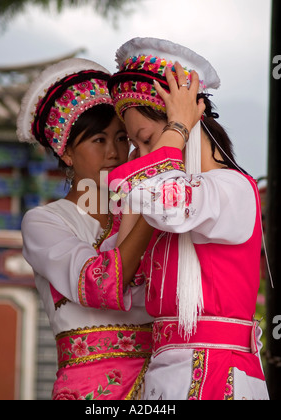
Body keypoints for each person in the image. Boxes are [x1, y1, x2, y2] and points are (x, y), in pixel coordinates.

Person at [107, 37, 270, 400]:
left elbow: (165, 200)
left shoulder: (230, 190)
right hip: (164, 377)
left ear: (187, 127)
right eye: (137, 145)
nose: (141, 155)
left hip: (217, 376)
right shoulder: (166, 206)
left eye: (148, 138)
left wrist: (176, 128)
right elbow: (116, 280)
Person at [17, 58, 154, 400]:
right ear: (66, 153)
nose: (114, 152)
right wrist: (156, 209)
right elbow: (101, 284)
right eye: (98, 140)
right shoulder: (45, 222)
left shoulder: (139, 211)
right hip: (91, 391)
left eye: (122, 138)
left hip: (162, 382)